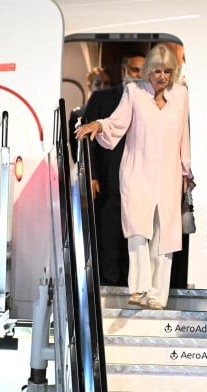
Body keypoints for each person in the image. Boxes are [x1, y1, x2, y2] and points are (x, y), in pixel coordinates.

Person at [75, 43, 194, 310]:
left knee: (165, 235)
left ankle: (156, 295)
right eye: (155, 71)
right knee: (138, 231)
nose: (161, 76)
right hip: (136, 171)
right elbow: (117, 121)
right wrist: (97, 124)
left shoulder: (182, 95)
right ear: (147, 72)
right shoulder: (134, 92)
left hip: (170, 175)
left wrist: (187, 170)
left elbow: (184, 135)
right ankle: (139, 289)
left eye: (166, 71)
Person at [84, 52, 146, 287]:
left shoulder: (152, 101)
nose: (139, 75)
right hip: (108, 180)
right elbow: (86, 141)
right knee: (108, 236)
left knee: (136, 237)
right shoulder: (102, 98)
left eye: (143, 70)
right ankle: (108, 285)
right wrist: (91, 175)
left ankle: (133, 286)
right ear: (123, 72)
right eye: (134, 70)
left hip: (140, 182)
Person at [68, 66, 111, 161]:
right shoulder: (78, 114)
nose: (103, 87)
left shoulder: (115, 113)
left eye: (106, 83)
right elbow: (76, 149)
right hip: (88, 166)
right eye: (98, 84)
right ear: (89, 85)